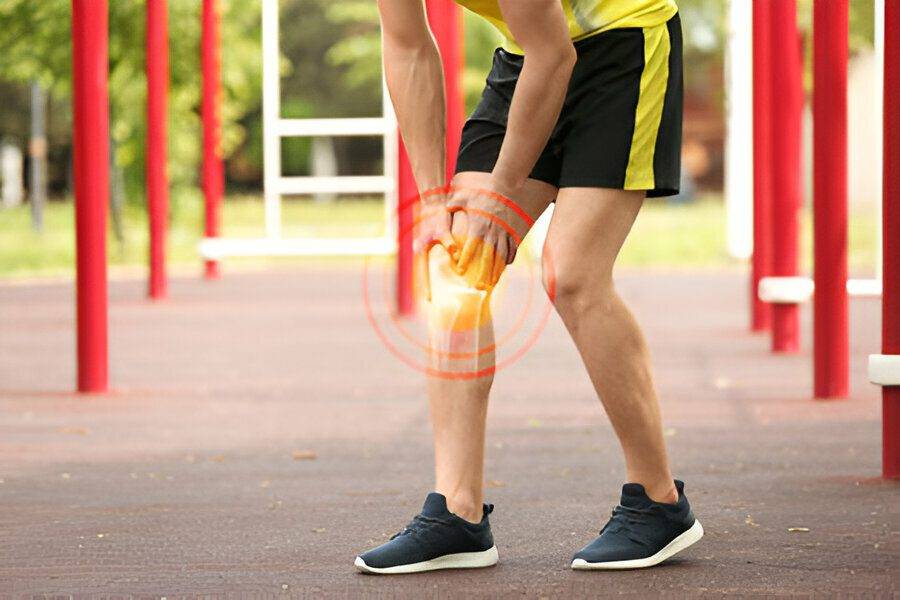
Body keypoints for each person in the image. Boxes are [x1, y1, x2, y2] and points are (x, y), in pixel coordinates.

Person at [355, 0, 703, 574]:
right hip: (528, 57)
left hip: (623, 46)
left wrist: (500, 189)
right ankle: (457, 514)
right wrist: (433, 199)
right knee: (456, 260)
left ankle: (659, 500)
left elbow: (555, 53)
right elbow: (408, 46)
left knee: (572, 274)